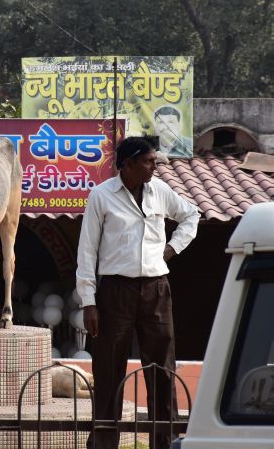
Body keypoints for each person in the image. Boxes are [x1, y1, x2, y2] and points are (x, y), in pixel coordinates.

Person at [76, 136, 199, 449]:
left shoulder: (160, 190)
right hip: (114, 291)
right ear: (127, 164)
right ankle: (104, 443)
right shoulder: (101, 196)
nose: (154, 167)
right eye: (148, 161)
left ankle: (166, 442)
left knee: (162, 369)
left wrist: (171, 249)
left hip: (157, 288)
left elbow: (191, 215)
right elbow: (87, 251)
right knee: (108, 369)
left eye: (154, 161)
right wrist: (89, 302)